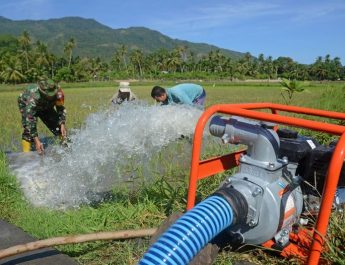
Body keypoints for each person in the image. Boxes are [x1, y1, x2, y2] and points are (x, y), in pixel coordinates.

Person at [18, 79, 67, 154]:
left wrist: (62, 123)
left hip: (46, 106)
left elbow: (60, 107)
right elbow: (30, 120)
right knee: (28, 130)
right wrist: (37, 141)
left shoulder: (58, 92)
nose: (51, 96)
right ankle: (26, 155)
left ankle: (66, 148)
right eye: (49, 95)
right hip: (26, 105)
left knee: (59, 127)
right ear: (42, 93)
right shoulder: (32, 97)